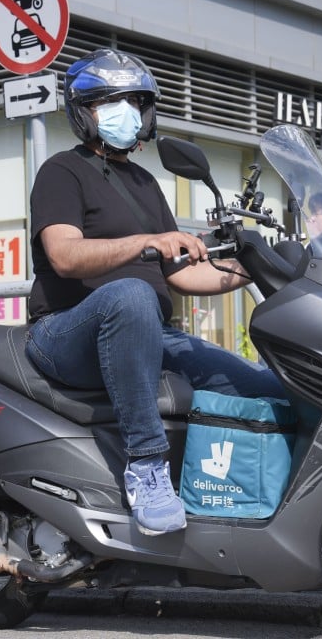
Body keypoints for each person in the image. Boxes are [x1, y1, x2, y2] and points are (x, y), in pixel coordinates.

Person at [24, 48, 284, 537]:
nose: (127, 113)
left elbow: (182, 275)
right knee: (131, 296)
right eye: (111, 102)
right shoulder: (61, 171)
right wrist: (147, 242)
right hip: (64, 332)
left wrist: (258, 268)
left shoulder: (144, 182)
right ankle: (146, 466)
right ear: (84, 112)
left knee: (263, 387)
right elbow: (64, 255)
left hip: (145, 333)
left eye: (136, 103)